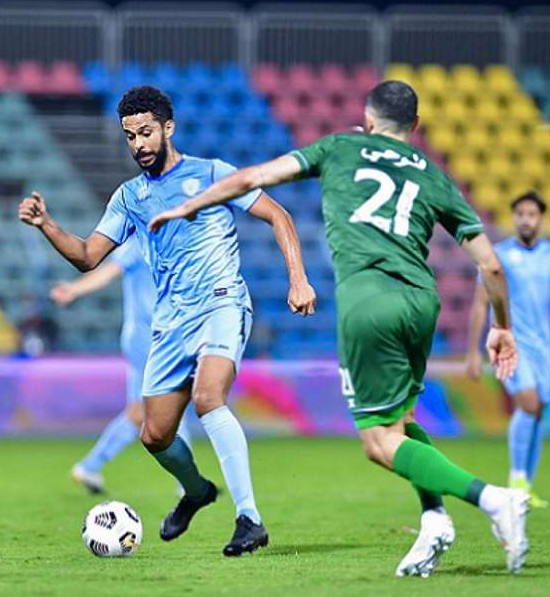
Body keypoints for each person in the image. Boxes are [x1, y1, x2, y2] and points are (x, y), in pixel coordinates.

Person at [149, 80, 529, 577]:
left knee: (378, 443)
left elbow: (252, 178)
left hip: (367, 305)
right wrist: (503, 327)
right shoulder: (434, 176)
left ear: (367, 120)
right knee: (402, 419)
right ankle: (435, 519)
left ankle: (494, 499)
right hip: (421, 301)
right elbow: (492, 266)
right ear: (414, 128)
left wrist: (188, 205)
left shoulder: (341, 146)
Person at [19, 85, 317, 557]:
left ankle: (249, 518)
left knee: (208, 398)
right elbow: (87, 256)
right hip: (170, 321)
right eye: (129, 135)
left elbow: (278, 216)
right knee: (155, 434)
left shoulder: (213, 174)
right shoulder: (130, 196)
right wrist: (47, 225)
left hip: (221, 303)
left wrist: (297, 280)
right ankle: (197, 491)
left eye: (145, 132)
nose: (138, 143)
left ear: (168, 128)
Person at [466, 191, 550, 508]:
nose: (525, 219)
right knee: (529, 402)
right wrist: (472, 352)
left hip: (542, 347)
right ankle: (516, 478)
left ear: (541, 219)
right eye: (520, 213)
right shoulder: (498, 255)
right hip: (511, 345)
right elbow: (480, 304)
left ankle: (525, 486)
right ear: (513, 217)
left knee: (538, 411)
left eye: (531, 214)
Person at [50, 239, 192, 494]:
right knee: (173, 403)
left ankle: (89, 466)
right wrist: (74, 290)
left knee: (138, 412)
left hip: (150, 338)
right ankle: (187, 482)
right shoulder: (143, 240)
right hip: (150, 338)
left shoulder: (174, 240)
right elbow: (109, 271)